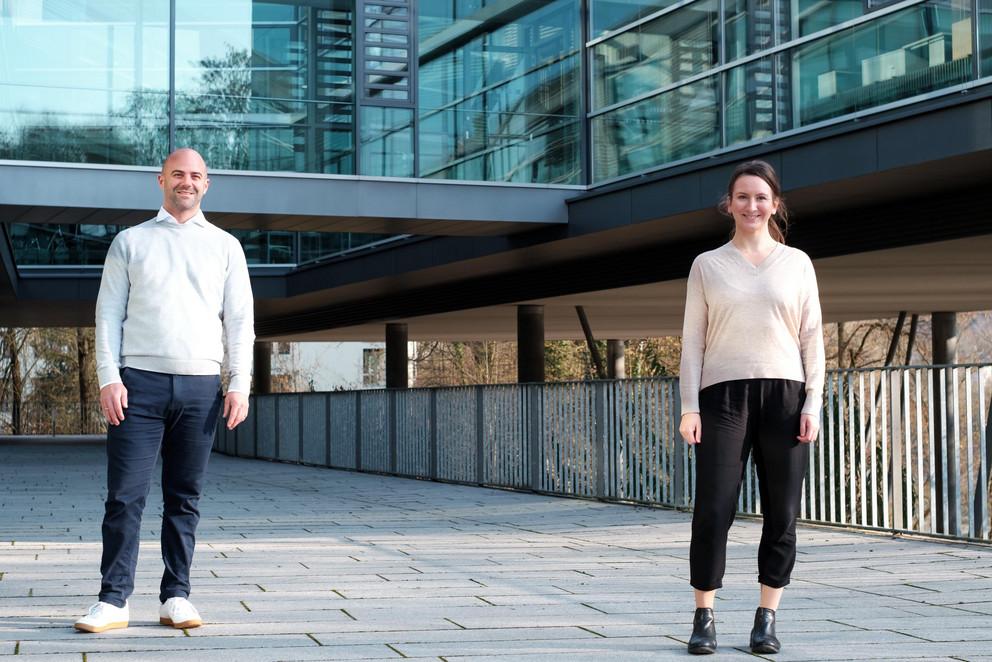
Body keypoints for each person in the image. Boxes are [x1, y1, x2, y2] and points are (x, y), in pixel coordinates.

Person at [74, 148, 254, 633]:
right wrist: (109, 378)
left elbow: (239, 322)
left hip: (201, 387)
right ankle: (113, 601)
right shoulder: (130, 243)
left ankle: (176, 595)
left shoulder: (226, 246)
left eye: (196, 175)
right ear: (161, 180)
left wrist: (239, 383)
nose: (187, 182)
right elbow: (107, 316)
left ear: (207, 184)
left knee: (185, 497)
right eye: (178, 174)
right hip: (138, 387)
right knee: (124, 496)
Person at [678, 160, 825, 655]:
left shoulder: (797, 263)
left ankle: (767, 617)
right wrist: (689, 406)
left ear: (775, 204)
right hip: (722, 399)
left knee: (782, 511)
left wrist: (813, 404)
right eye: (742, 197)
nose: (752, 205)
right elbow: (692, 342)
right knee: (714, 508)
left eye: (761, 197)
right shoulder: (708, 265)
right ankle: (704, 615)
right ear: (729, 204)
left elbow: (813, 340)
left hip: (786, 397)